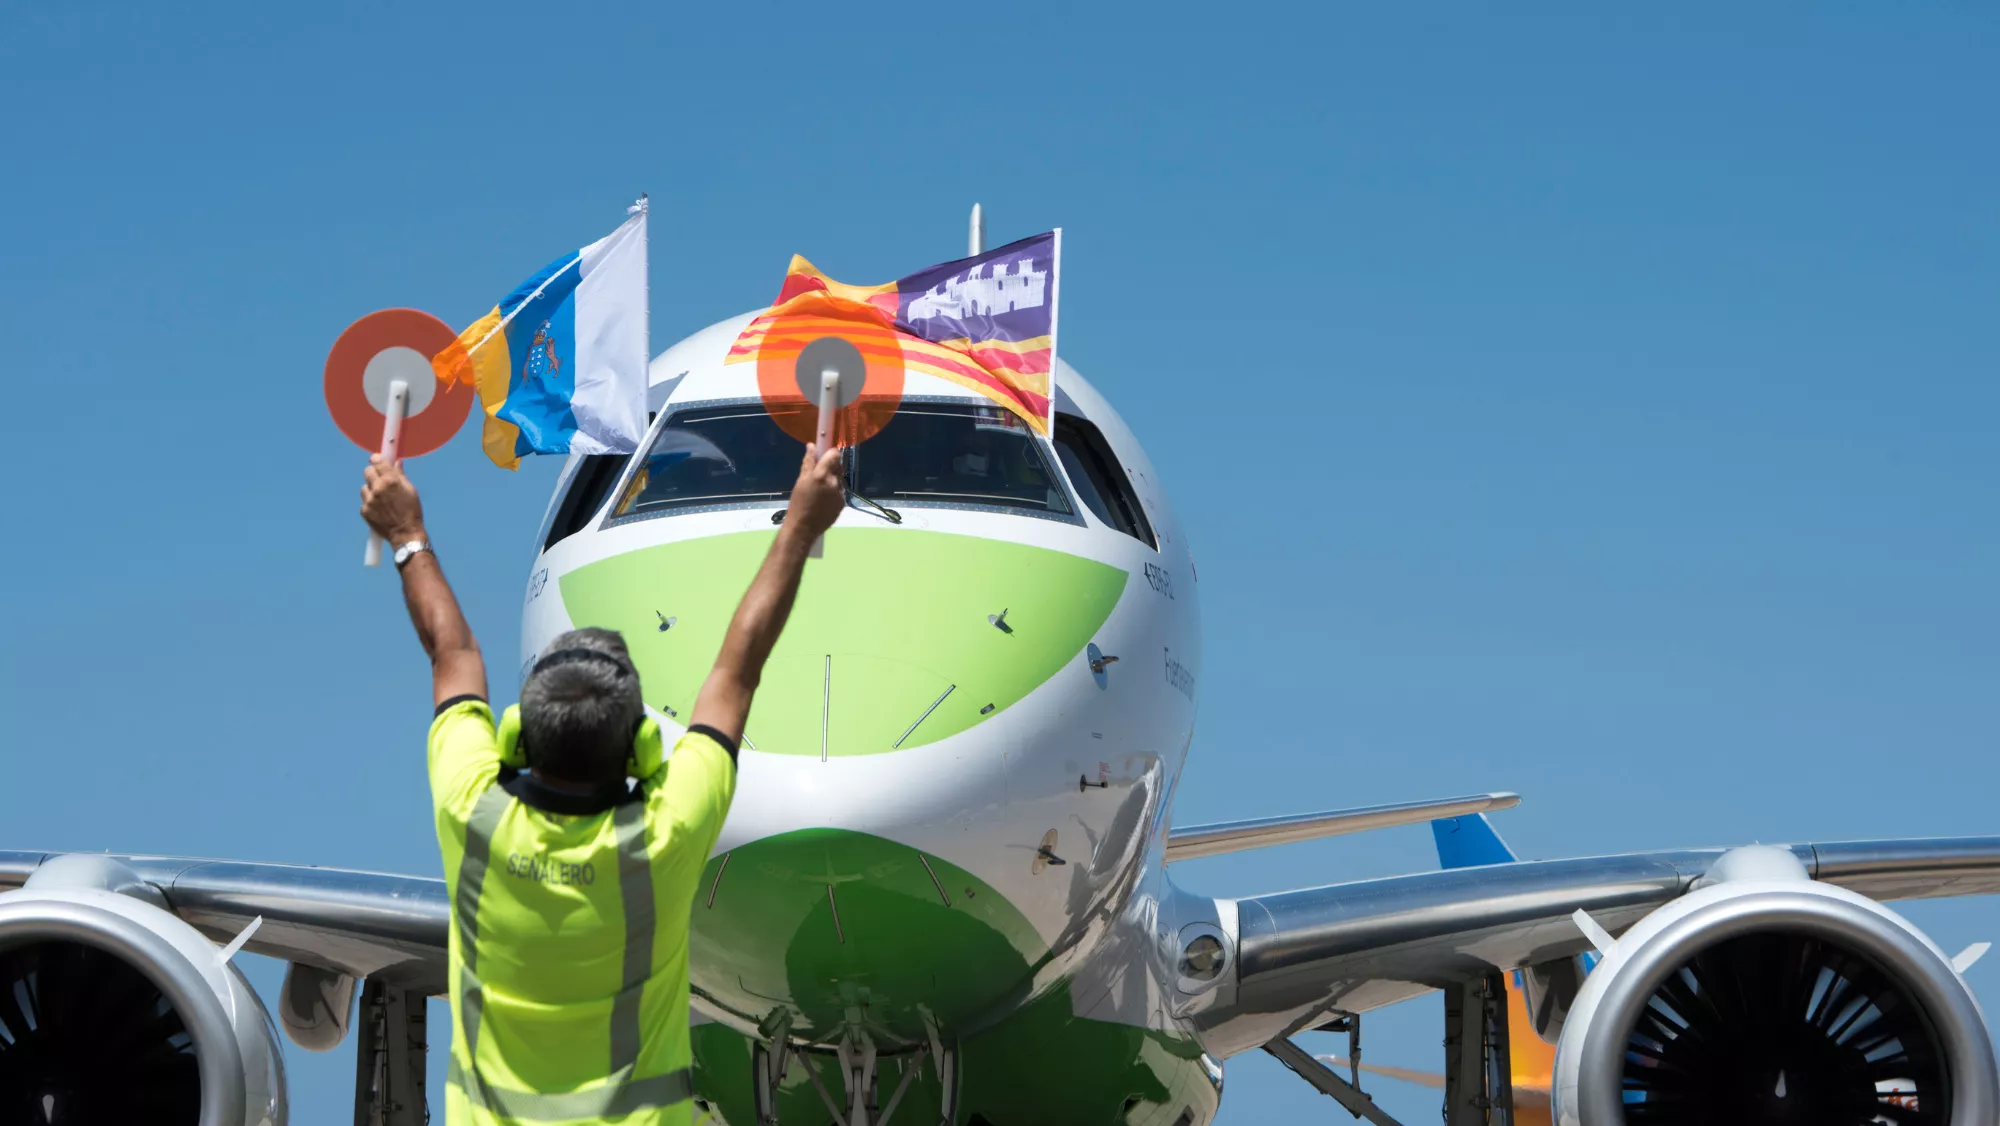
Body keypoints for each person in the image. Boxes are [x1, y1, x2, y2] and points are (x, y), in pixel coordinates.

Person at [360, 442, 845, 1126]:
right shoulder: (663, 832)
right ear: (644, 748)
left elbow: (453, 653)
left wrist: (407, 535)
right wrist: (801, 526)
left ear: (516, 739)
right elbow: (738, 669)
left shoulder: (472, 810)